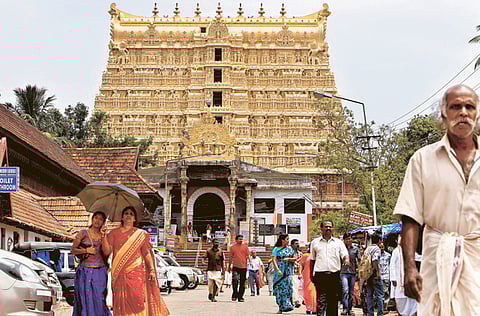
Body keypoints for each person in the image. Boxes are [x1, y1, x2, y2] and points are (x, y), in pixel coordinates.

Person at [393, 84, 480, 315]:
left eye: (469, 107)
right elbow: (410, 217)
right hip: (437, 258)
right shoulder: (423, 159)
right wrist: (409, 267)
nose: (463, 112)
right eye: (455, 107)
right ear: (444, 114)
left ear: (477, 114)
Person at [104, 206, 168, 316]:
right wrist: (104, 236)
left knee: (137, 300)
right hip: (118, 274)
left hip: (136, 273)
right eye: (126, 213)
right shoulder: (113, 233)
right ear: (122, 218)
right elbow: (106, 252)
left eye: (131, 214)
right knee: (119, 302)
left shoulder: (141, 234)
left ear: (134, 219)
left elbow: (146, 253)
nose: (128, 215)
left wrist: (152, 270)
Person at [71, 211, 111, 316]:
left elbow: (107, 252)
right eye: (96, 218)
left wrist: (104, 237)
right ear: (92, 219)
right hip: (85, 272)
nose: (98, 221)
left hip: (99, 272)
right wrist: (86, 251)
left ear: (103, 222)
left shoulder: (104, 235)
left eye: (101, 219)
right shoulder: (83, 233)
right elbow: (74, 250)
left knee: (99, 299)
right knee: (85, 298)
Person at [310, 221, 349, 316]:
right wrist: (311, 275)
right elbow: (312, 260)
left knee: (333, 300)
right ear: (321, 228)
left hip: (334, 275)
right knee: (321, 299)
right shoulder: (315, 243)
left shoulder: (338, 243)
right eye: (326, 227)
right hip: (320, 275)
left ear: (333, 228)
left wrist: (346, 259)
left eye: (330, 227)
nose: (328, 228)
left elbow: (345, 254)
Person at [390, 236, 417, 316]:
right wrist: (393, 278)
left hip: (408, 279)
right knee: (400, 300)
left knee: (411, 300)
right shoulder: (396, 251)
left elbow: (418, 258)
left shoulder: (410, 250)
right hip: (399, 280)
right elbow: (392, 265)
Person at [272, 233, 296, 314]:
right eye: (287, 239)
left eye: (288, 239)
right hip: (279, 273)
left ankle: (287, 305)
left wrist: (289, 259)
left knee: (287, 289)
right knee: (279, 289)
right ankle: (280, 307)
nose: (288, 241)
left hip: (287, 272)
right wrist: (278, 270)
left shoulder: (290, 249)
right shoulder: (276, 249)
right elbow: (274, 260)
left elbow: (295, 258)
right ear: (282, 240)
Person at [340, 234, 361, 316]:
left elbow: (359, 261)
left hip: (352, 273)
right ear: (344, 240)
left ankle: (350, 309)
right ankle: (345, 308)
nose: (349, 240)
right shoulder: (341, 249)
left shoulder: (355, 249)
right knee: (345, 290)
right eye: (347, 239)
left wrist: (359, 271)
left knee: (351, 292)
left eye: (350, 239)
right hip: (343, 272)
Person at [364, 234, 384, 316]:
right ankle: (380, 313)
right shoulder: (377, 249)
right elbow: (375, 260)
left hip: (368, 275)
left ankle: (370, 313)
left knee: (369, 295)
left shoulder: (367, 249)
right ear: (379, 241)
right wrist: (378, 273)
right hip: (375, 275)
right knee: (380, 295)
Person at [228, 234, 249, 302]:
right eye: (239, 239)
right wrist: (229, 266)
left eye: (241, 239)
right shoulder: (232, 247)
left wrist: (250, 262)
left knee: (242, 283)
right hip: (235, 266)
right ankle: (235, 294)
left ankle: (240, 297)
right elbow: (230, 257)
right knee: (235, 280)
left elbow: (248, 255)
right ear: (236, 240)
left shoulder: (245, 247)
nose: (241, 240)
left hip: (243, 267)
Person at [299, 243, 317, 315]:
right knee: (309, 291)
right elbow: (301, 265)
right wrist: (300, 273)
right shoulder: (305, 256)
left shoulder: (318, 255)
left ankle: (315, 308)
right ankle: (308, 308)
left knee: (315, 291)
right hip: (307, 276)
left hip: (317, 275)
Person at [378, 241, 391, 310]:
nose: (381, 248)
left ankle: (385, 307)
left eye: (382, 247)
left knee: (386, 292)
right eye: (380, 247)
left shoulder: (388, 255)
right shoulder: (377, 255)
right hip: (379, 276)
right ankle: (381, 307)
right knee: (380, 293)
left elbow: (390, 265)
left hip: (386, 276)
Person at [290, 239, 303, 308]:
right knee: (294, 286)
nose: (297, 245)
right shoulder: (289, 253)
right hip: (291, 272)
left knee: (298, 287)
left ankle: (297, 300)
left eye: (298, 243)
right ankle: (296, 300)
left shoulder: (300, 254)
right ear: (292, 245)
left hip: (299, 272)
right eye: (295, 243)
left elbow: (302, 263)